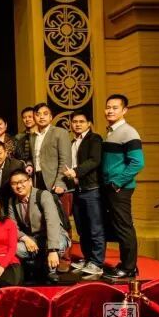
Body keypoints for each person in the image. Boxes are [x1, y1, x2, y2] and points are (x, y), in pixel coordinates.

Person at [101, 94, 144, 279]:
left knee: (124, 227)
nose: (110, 111)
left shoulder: (128, 132)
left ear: (124, 110)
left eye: (115, 107)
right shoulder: (112, 131)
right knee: (118, 226)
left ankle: (129, 268)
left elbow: (138, 162)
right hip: (111, 187)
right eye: (108, 107)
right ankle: (125, 264)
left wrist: (118, 182)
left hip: (120, 188)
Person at [8, 170, 71, 283]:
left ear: (30, 181)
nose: (19, 186)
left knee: (59, 244)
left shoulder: (43, 195)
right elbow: (12, 227)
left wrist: (52, 250)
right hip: (33, 238)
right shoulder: (12, 201)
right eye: (14, 183)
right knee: (16, 249)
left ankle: (51, 270)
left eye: (22, 181)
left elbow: (52, 222)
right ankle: (40, 264)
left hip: (53, 234)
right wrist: (25, 238)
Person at [64, 110, 105, 276]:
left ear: (89, 123)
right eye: (74, 122)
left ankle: (97, 262)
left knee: (95, 227)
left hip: (91, 189)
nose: (77, 124)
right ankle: (88, 258)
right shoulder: (73, 142)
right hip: (77, 190)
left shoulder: (95, 139)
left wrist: (76, 172)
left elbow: (94, 160)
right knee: (82, 228)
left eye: (81, 121)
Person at [30, 103, 72, 193]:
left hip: (53, 181)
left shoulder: (60, 132)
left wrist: (60, 182)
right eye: (38, 114)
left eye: (45, 114)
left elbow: (65, 160)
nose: (41, 117)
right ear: (34, 118)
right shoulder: (32, 136)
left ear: (51, 117)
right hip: (36, 179)